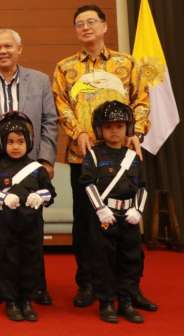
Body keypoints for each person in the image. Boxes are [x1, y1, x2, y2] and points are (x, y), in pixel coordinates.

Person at [52, 5, 155, 310]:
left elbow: (141, 100)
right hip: (83, 156)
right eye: (79, 24)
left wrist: (136, 131)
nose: (85, 27)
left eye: (91, 22)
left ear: (104, 26)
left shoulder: (127, 63)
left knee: (127, 222)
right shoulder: (65, 68)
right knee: (87, 223)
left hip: (123, 156)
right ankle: (88, 283)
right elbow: (61, 105)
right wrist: (78, 132)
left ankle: (129, 287)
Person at [0, 29, 58, 306]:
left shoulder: (39, 80)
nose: (2, 51)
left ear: (19, 49)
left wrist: (46, 159)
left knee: (33, 230)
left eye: (8, 46)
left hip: (31, 166)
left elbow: (50, 121)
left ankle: (37, 287)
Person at [0, 112, 56, 322]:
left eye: (21, 142)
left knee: (31, 261)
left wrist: (40, 196)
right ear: (2, 143)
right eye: (11, 142)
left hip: (32, 224)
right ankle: (11, 301)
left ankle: (26, 300)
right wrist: (3, 197)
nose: (16, 146)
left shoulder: (37, 169)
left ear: (29, 142)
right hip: (6, 224)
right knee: (8, 261)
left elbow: (51, 193)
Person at [80, 101, 148, 324]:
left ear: (128, 128)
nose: (115, 131)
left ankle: (126, 301)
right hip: (105, 217)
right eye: (108, 127)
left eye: (120, 126)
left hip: (129, 217)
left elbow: (142, 187)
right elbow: (88, 183)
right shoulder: (94, 155)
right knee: (104, 259)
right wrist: (101, 209)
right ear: (100, 129)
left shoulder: (133, 156)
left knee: (131, 258)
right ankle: (107, 302)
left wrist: (137, 211)